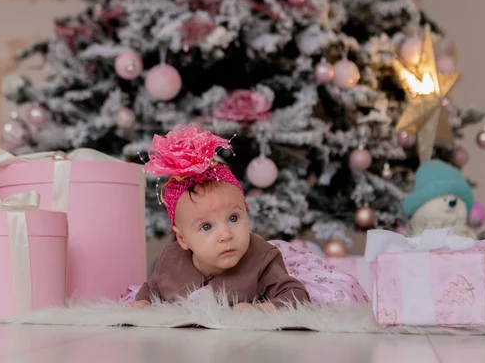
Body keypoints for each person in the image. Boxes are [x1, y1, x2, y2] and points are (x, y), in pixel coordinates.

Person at [128, 124, 367, 310]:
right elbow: (152, 287)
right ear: (182, 239)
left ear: (245, 211)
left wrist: (265, 310)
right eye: (206, 227)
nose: (225, 235)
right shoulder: (171, 260)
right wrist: (143, 302)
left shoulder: (261, 259)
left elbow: (295, 293)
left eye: (233, 218)